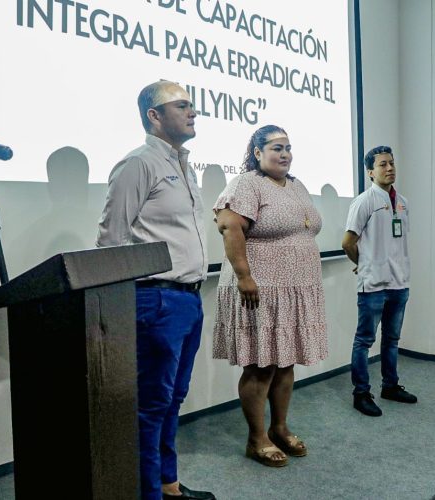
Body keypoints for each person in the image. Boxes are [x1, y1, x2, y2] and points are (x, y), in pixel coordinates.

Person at [96, 80, 215, 500]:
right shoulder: (137, 164)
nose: (193, 111)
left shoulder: (184, 164)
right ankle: (148, 493)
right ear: (154, 115)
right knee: (151, 407)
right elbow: (111, 240)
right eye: (182, 105)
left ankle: (169, 486)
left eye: (191, 105)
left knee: (173, 400)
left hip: (188, 298)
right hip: (156, 299)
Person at [212, 125, 327, 467]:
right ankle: (256, 438)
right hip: (260, 290)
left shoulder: (297, 185)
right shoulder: (247, 183)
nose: (285, 153)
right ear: (258, 152)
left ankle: (279, 427)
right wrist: (244, 276)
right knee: (261, 365)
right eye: (276, 147)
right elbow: (229, 227)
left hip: (295, 290)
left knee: (285, 362)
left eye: (288, 147)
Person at [342, 145, 418, 417]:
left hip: (399, 284)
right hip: (373, 285)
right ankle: (361, 393)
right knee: (364, 341)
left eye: (392, 163)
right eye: (383, 164)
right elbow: (348, 242)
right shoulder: (365, 201)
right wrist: (362, 264)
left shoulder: (403, 202)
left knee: (392, 339)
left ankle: (391, 386)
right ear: (370, 172)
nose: (390, 168)